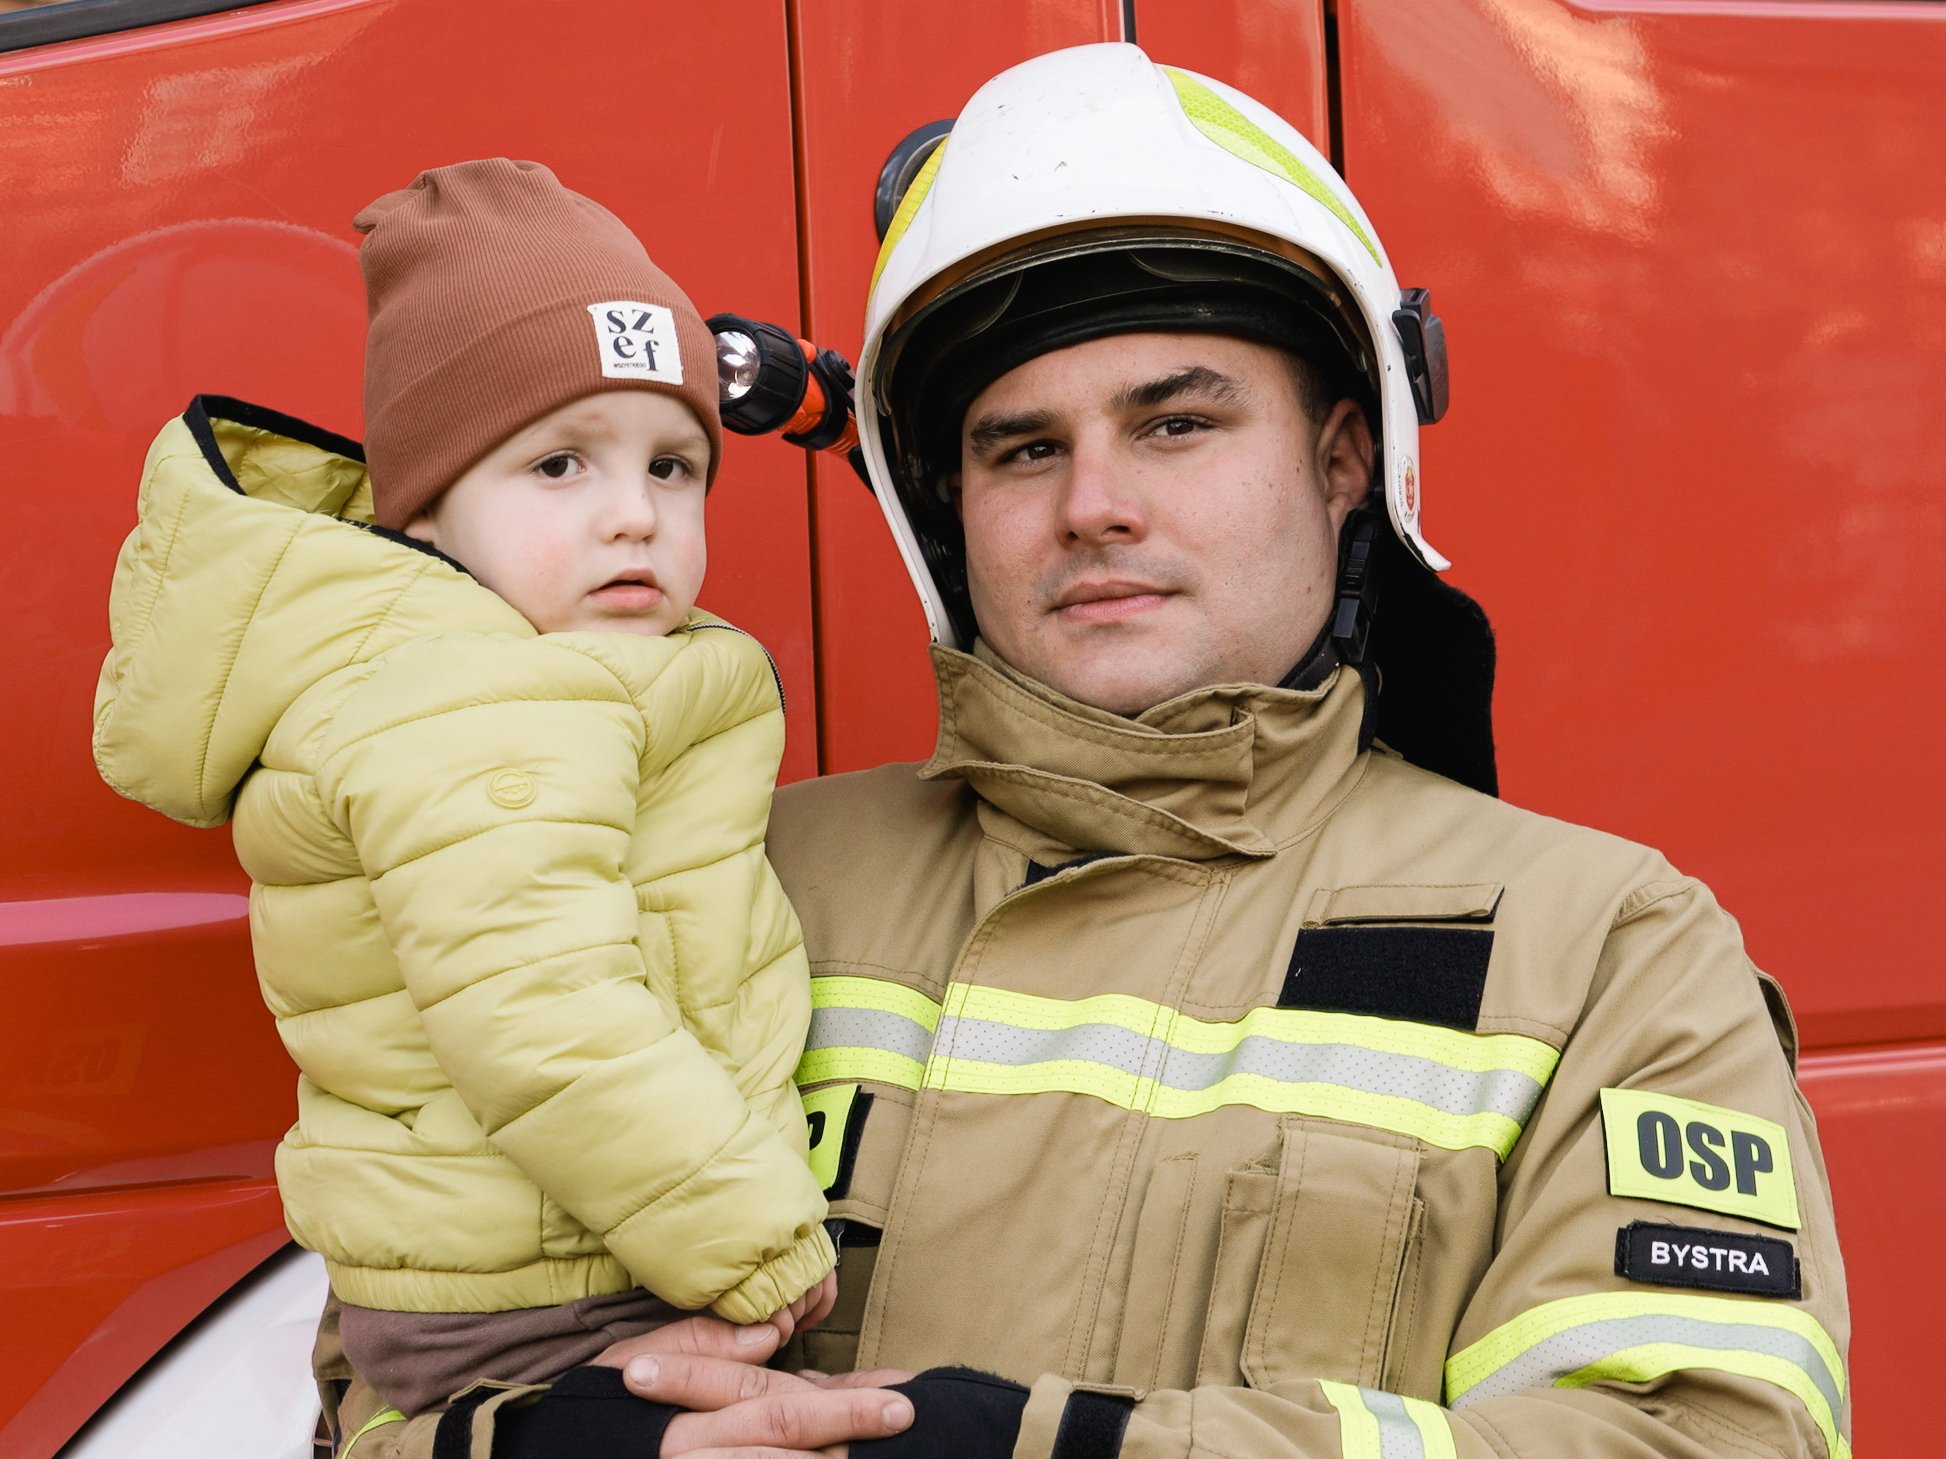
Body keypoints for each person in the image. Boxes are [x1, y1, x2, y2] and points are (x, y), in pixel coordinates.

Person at [327, 44, 1854, 1459]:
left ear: (1341, 459)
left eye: (1175, 424)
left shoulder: (1600, 949)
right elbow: (381, 1376)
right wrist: (535, 1441)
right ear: (948, 508)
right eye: (1024, 447)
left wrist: (1073, 1447)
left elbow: (1708, 1437)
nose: (1093, 505)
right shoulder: (716, 872)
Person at [90, 159, 840, 1441]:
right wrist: (756, 1243)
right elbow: (541, 1012)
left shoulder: (521, 673)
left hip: (565, 1239)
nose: (633, 516)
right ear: (428, 513)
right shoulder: (471, 702)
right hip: (549, 1286)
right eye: (560, 465)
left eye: (672, 467)